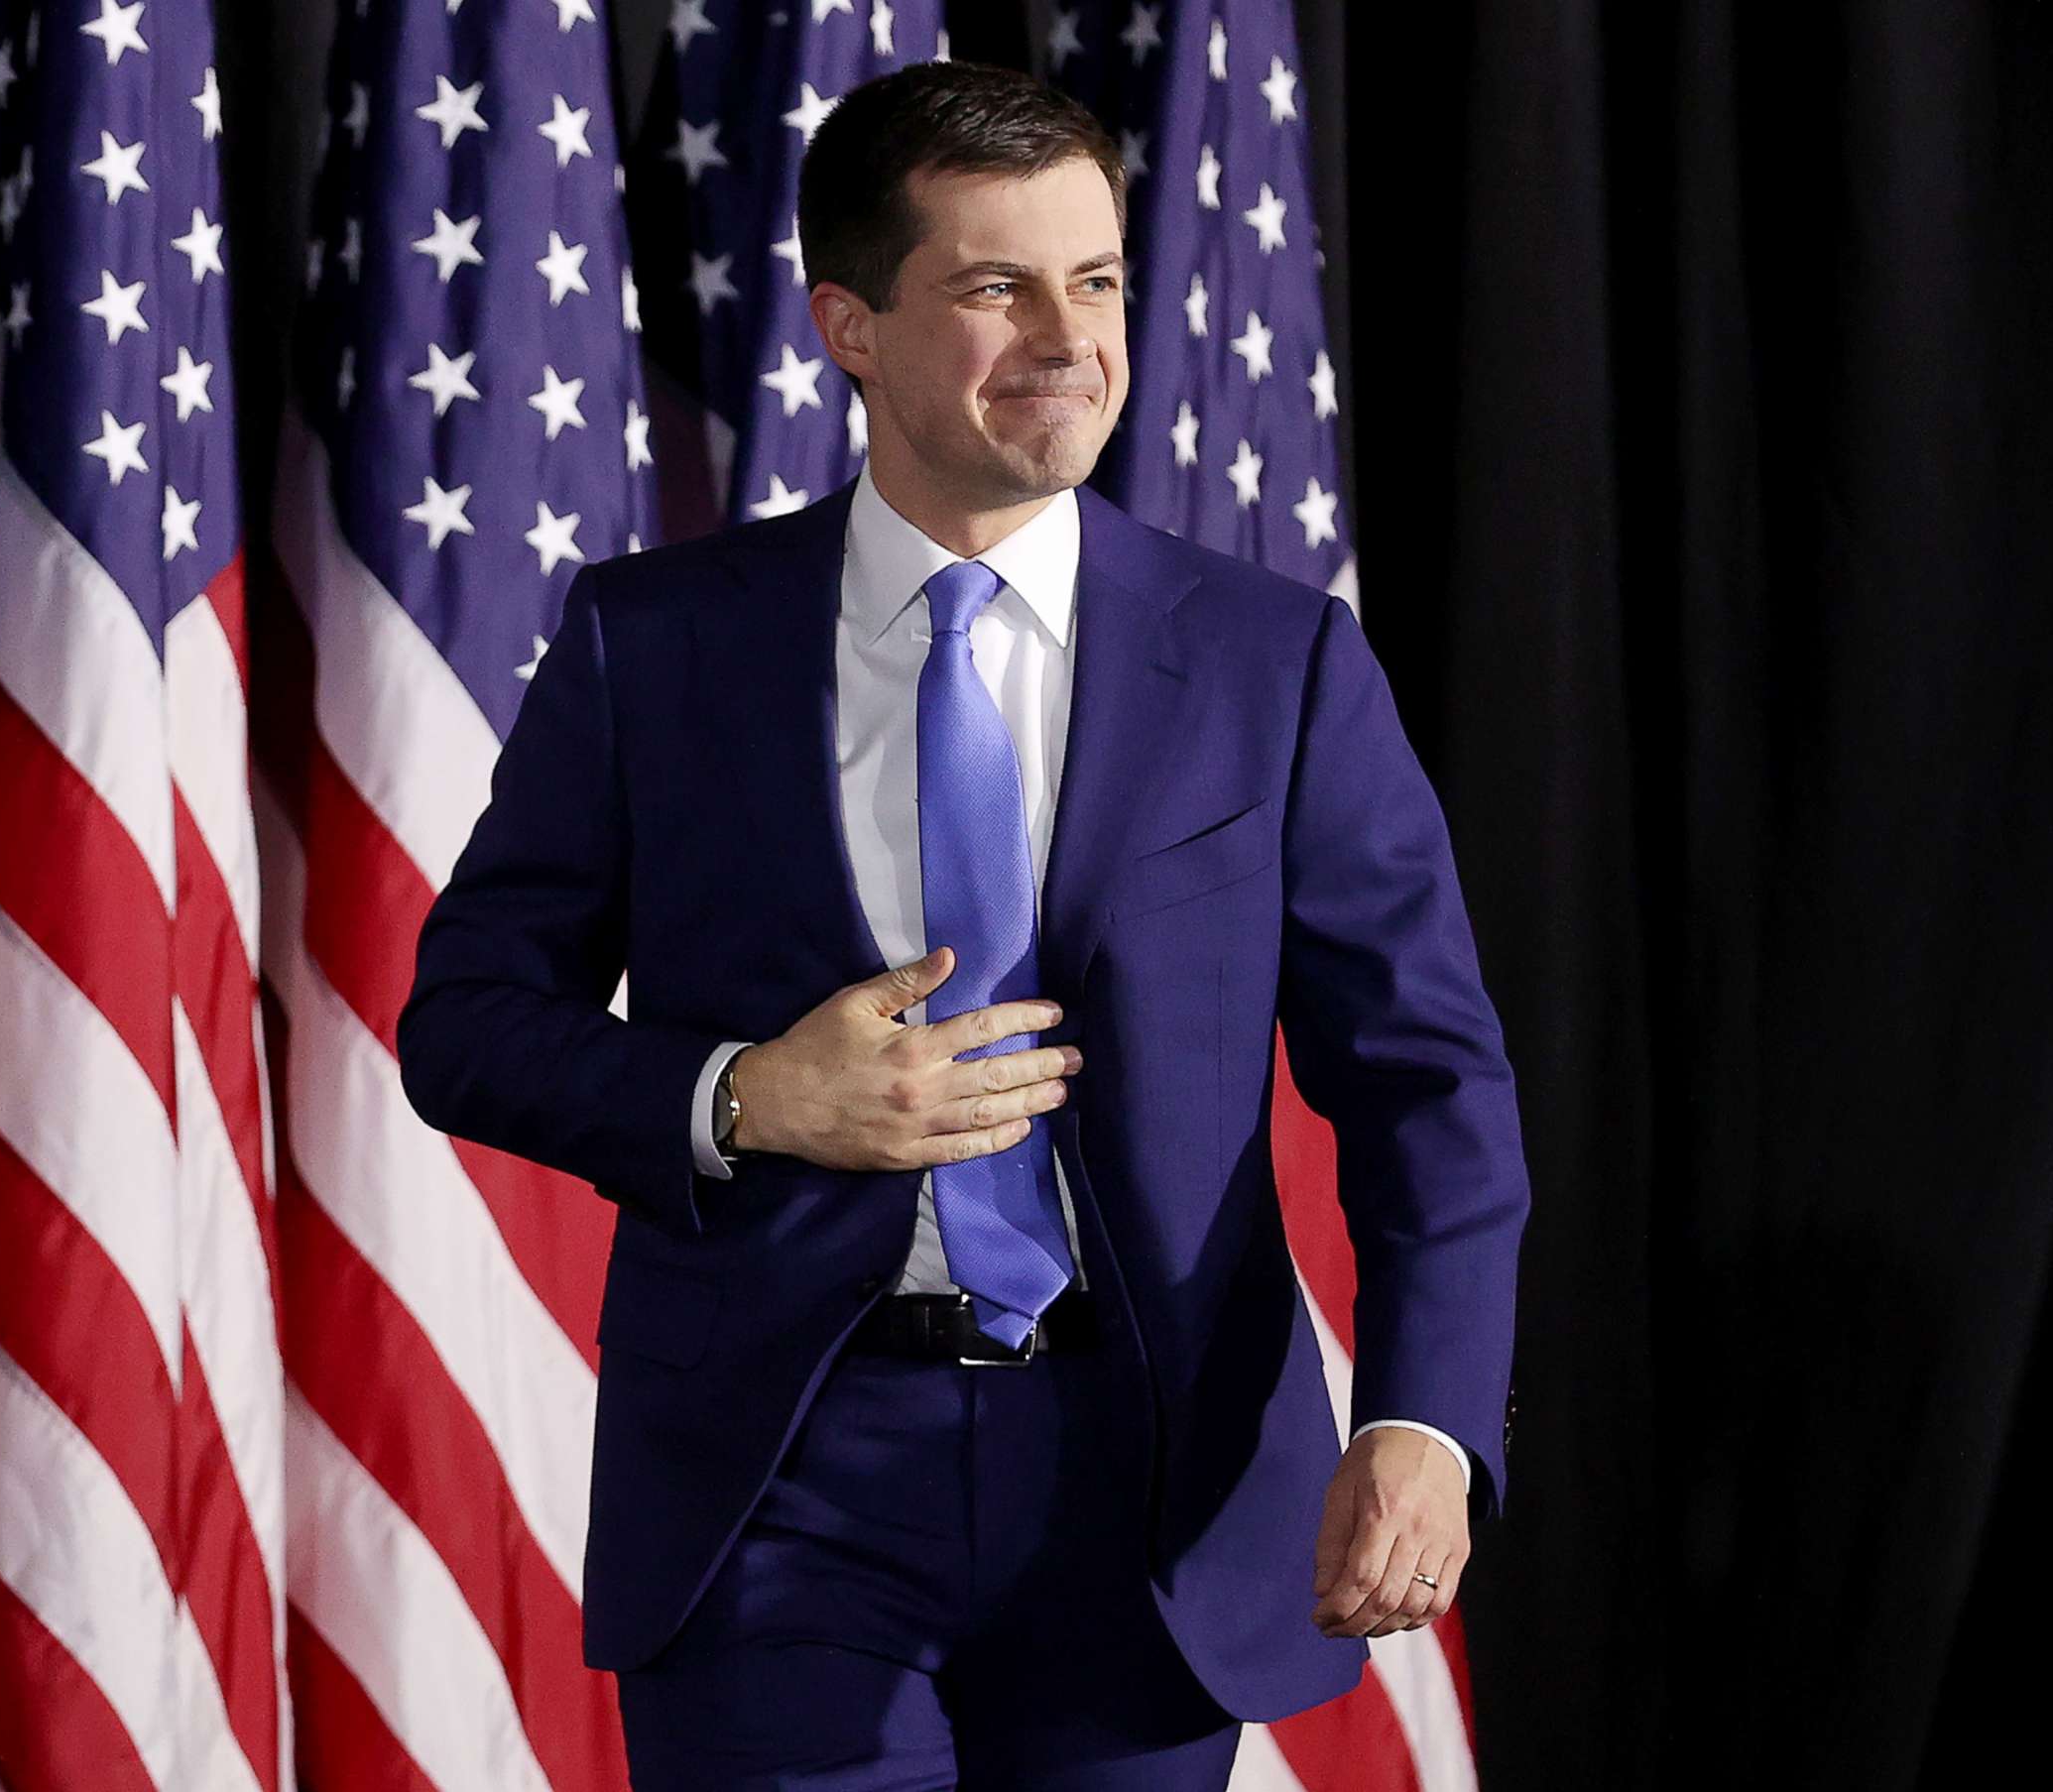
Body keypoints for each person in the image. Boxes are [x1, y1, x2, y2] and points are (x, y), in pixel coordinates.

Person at [397, 58, 1529, 1792]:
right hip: (782, 1479)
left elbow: (1429, 1079)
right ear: (851, 325)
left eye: (1095, 282)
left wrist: (1425, 1416)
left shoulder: (1272, 664)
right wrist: (743, 1098)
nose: (1069, 342)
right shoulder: (657, 645)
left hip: (1149, 1486)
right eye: (996, 288)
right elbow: (466, 1018)